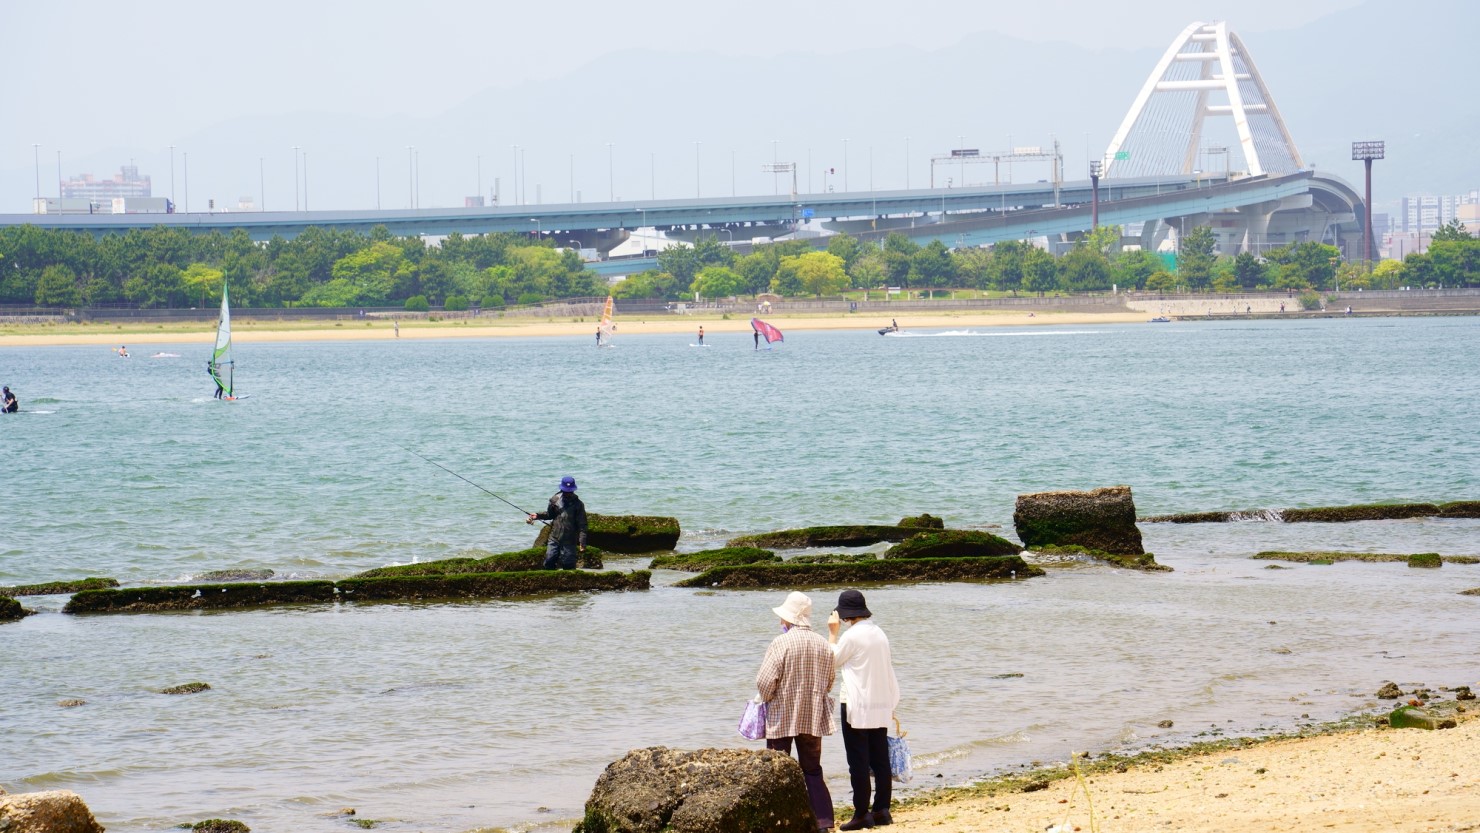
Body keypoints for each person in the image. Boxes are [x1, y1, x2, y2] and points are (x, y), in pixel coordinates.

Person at [756, 591, 836, 831]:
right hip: (812, 715)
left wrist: (767, 698)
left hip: (782, 714)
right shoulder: (823, 643)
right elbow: (829, 681)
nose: (781, 622)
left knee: (778, 769)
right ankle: (823, 821)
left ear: (788, 620)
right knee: (812, 769)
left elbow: (764, 681)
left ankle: (781, 821)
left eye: (783, 618)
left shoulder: (781, 642)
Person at [827, 590, 900, 830]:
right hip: (881, 702)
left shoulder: (851, 636)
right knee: (880, 759)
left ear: (846, 615)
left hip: (857, 704)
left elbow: (831, 660)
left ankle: (861, 813)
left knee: (858, 761)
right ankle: (882, 810)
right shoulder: (879, 632)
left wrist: (832, 632)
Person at [527, 476, 587, 570]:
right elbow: (549, 515)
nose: (568, 493)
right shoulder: (554, 500)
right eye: (566, 491)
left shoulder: (578, 504)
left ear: (573, 490)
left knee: (569, 565)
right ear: (562, 489)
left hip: (570, 540)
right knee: (549, 561)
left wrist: (582, 541)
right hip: (554, 537)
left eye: (570, 491)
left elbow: (582, 525)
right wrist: (537, 516)